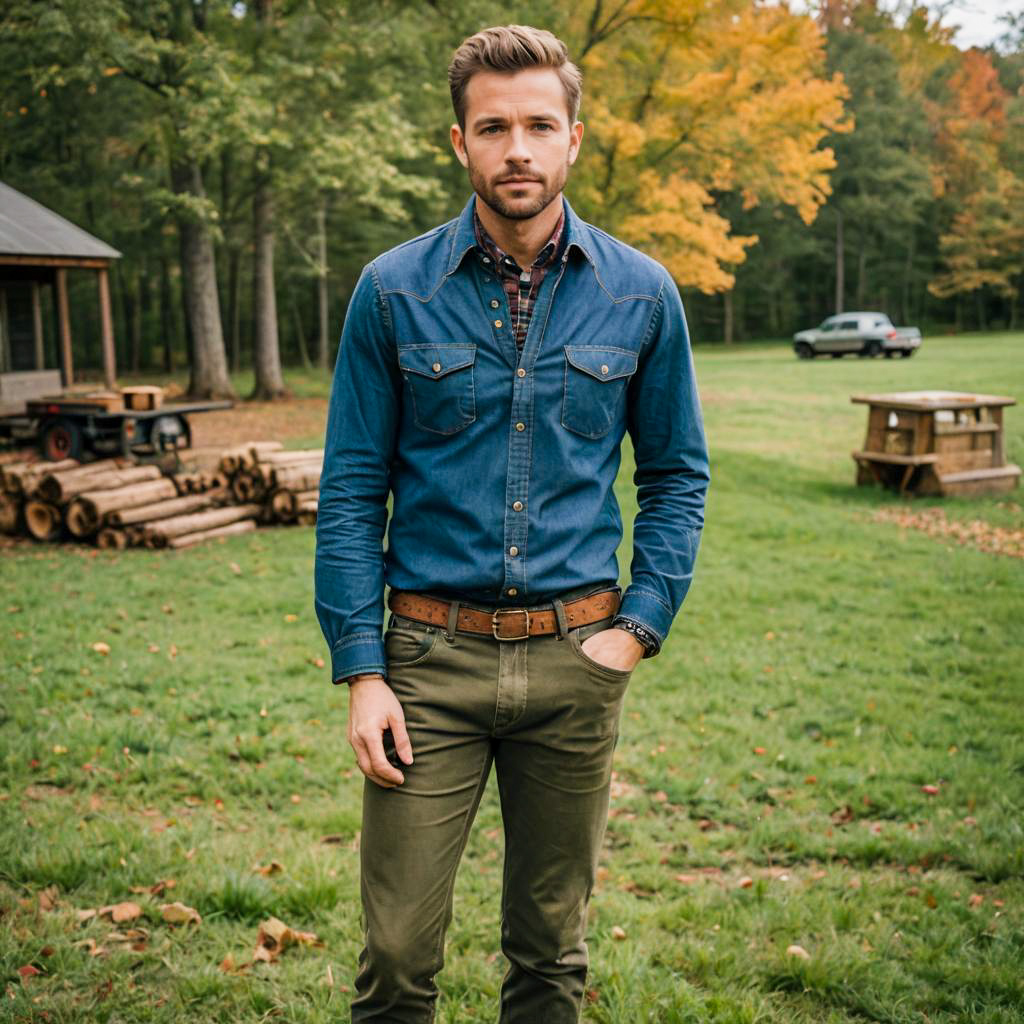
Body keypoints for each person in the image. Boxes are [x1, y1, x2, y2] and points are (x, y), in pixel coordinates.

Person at [314, 23, 709, 1023]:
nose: (518, 150)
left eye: (539, 125)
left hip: (577, 661)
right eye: (494, 128)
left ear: (574, 136)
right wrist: (363, 670)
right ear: (461, 142)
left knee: (549, 954)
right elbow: (353, 488)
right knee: (396, 956)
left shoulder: (640, 294)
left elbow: (676, 476)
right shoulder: (392, 291)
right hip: (426, 666)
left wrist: (636, 628)